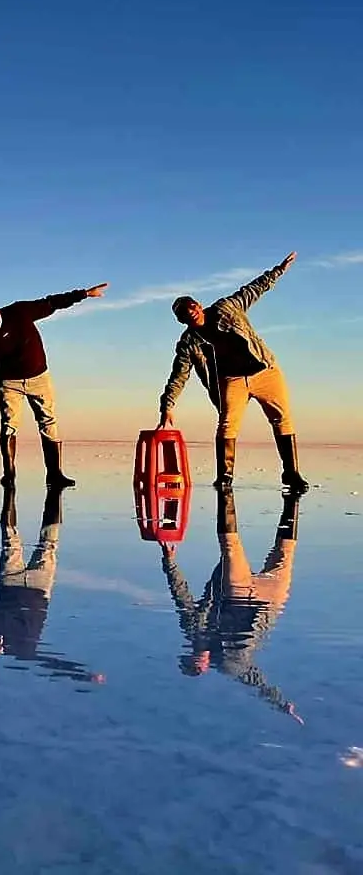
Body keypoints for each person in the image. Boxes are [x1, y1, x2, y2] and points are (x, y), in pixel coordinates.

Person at [0, 281, 108, 488]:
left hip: (39, 378)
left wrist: (84, 294)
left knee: (48, 423)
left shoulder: (19, 312)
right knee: (9, 426)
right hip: (9, 383)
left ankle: (55, 475)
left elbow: (51, 303)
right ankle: (9, 475)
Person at [156, 252, 307, 492]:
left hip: (264, 371)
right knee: (227, 425)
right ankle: (224, 477)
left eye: (192, 306)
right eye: (184, 312)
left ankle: (291, 473)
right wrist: (167, 406)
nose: (191, 311)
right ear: (181, 319)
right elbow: (178, 376)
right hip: (232, 380)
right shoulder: (189, 342)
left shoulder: (227, 307)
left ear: (198, 305)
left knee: (281, 419)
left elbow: (253, 289)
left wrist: (279, 270)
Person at [158, 488, 301, 722]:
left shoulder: (195, 630)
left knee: (230, 546)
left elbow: (180, 596)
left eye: (190, 662)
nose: (197, 662)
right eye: (197, 668)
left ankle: (225, 487)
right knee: (286, 549)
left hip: (238, 590)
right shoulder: (230, 666)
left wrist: (170, 562)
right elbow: (259, 684)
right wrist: (283, 705)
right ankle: (293, 497)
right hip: (270, 600)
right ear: (204, 669)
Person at [0, 486, 102, 683]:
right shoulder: (22, 650)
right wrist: (84, 676)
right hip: (39, 586)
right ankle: (56, 491)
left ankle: (9, 487)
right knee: (49, 543)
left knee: (9, 540)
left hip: (9, 580)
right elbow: (51, 664)